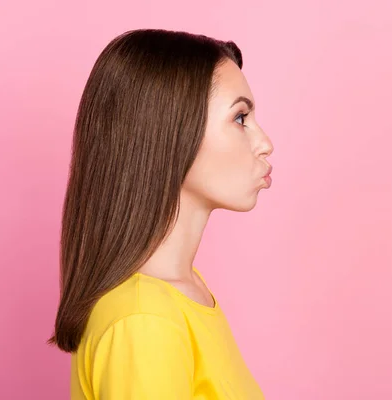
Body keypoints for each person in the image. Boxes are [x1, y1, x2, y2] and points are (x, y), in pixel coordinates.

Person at [48, 28, 274, 399]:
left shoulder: (186, 293)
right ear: (170, 132)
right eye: (240, 118)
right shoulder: (145, 321)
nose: (265, 143)